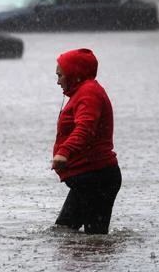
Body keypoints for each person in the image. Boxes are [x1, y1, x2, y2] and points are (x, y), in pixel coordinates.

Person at [51, 48, 122, 234]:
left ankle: (99, 263)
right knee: (64, 232)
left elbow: (85, 128)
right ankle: (82, 264)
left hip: (97, 177)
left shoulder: (88, 93)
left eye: (60, 75)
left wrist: (64, 152)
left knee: (95, 239)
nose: (57, 81)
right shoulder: (82, 92)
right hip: (89, 178)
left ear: (74, 74)